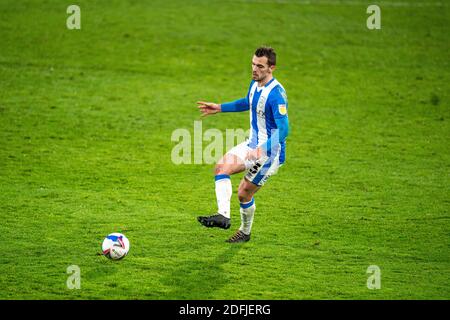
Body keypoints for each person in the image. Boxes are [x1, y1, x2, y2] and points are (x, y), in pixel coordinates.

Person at [196, 46, 290, 243]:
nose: (254, 69)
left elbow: (284, 130)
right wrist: (220, 108)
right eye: (253, 64)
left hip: (270, 153)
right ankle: (223, 215)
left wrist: (261, 149)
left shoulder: (276, 95)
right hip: (252, 144)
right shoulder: (255, 83)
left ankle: (245, 232)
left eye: (260, 66)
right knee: (221, 167)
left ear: (271, 68)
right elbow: (248, 101)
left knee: (243, 193)